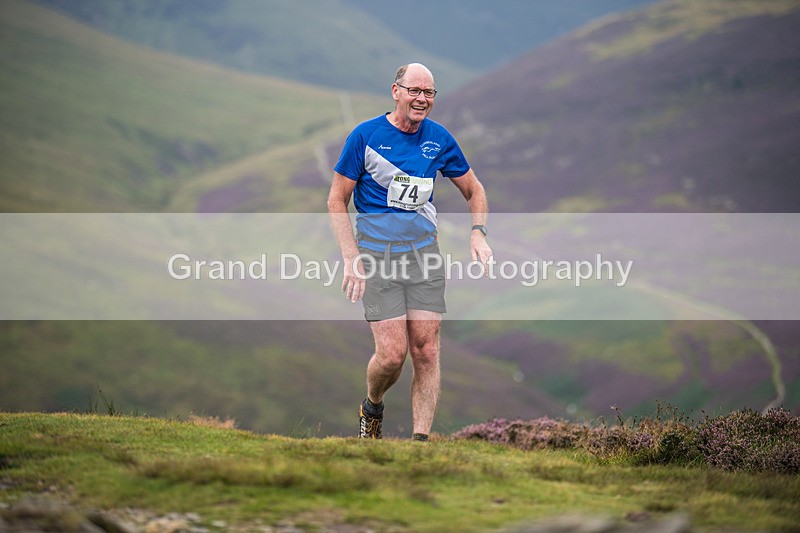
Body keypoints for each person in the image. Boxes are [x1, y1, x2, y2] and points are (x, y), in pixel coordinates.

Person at [327, 63, 492, 441]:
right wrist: (351, 258)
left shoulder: (439, 139)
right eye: (414, 90)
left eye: (429, 93)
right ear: (396, 91)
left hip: (424, 256)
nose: (422, 99)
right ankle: (372, 406)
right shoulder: (366, 136)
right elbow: (337, 199)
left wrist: (478, 233)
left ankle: (420, 444)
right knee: (391, 355)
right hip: (376, 256)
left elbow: (474, 189)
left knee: (427, 351)